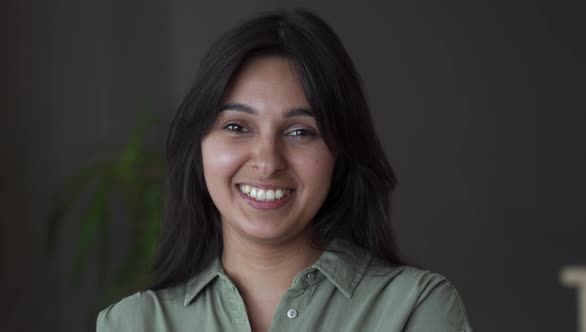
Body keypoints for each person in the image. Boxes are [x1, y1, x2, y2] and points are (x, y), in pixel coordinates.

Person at [97, 8, 472, 332]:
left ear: (339, 153)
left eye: (300, 132)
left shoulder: (413, 308)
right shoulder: (134, 323)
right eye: (237, 127)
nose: (267, 161)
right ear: (199, 147)